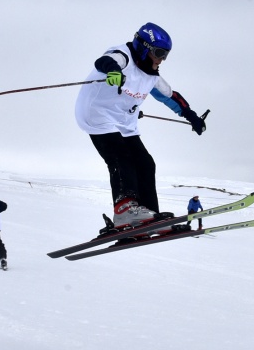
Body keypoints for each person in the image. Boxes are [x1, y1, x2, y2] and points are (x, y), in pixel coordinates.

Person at [74, 22, 206, 230]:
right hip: (97, 115)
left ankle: (149, 217)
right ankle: (126, 212)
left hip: (124, 122)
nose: (162, 59)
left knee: (145, 163)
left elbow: (170, 96)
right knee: (120, 157)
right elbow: (104, 61)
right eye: (160, 53)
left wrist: (191, 116)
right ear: (145, 48)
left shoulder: (151, 77)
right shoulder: (123, 56)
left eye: (166, 55)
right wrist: (113, 71)